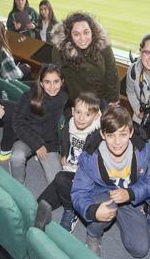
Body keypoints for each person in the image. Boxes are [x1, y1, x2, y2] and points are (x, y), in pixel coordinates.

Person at [71, 106, 150, 257]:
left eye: (123, 134)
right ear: (102, 134)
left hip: (131, 199)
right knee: (97, 216)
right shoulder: (91, 156)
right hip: (102, 196)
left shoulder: (142, 151)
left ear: (131, 132)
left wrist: (131, 194)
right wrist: (92, 211)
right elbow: (79, 192)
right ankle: (93, 236)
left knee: (140, 250)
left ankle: (120, 217)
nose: (117, 142)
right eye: (111, 135)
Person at [37, 92, 102, 232]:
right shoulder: (71, 122)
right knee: (41, 204)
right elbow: (65, 139)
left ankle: (71, 210)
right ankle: (68, 196)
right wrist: (65, 153)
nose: (81, 118)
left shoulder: (99, 133)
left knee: (60, 179)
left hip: (86, 177)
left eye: (87, 114)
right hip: (70, 168)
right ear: (73, 111)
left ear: (96, 116)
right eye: (78, 112)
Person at [9, 64, 69, 184]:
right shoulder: (28, 97)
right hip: (28, 138)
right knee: (17, 157)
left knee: (55, 182)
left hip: (49, 142)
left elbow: (68, 122)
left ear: (62, 82)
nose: (52, 87)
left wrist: (65, 153)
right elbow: (17, 123)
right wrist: (37, 145)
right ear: (41, 83)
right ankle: (17, 184)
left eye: (56, 81)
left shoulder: (64, 97)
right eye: (47, 82)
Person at [51, 12, 120, 106]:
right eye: (76, 34)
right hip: (74, 101)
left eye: (86, 32)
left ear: (92, 31)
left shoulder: (103, 46)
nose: (82, 38)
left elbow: (111, 73)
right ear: (69, 35)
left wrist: (114, 99)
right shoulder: (60, 49)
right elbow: (56, 75)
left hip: (99, 99)